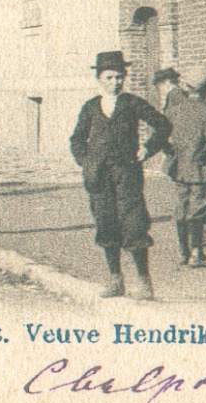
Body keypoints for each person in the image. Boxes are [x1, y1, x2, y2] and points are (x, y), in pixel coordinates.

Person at [70, 50, 172, 300]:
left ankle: (144, 283)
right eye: (109, 77)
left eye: (119, 77)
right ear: (99, 79)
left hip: (127, 174)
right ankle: (115, 280)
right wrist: (86, 161)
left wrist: (147, 148)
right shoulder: (91, 107)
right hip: (99, 178)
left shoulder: (131, 103)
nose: (115, 82)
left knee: (134, 224)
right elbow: (76, 139)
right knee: (106, 224)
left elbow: (163, 124)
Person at [163, 68, 206, 266]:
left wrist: (173, 156)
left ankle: (183, 252)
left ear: (187, 88)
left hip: (180, 167)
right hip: (200, 168)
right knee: (198, 208)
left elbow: (165, 136)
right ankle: (197, 253)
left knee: (181, 207)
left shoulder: (175, 110)